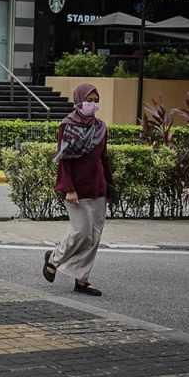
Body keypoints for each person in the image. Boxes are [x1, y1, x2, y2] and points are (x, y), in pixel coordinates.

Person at [43, 83, 112, 297]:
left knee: (93, 236)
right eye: (88, 100)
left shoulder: (101, 127)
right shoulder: (68, 126)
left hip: (97, 186)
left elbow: (103, 157)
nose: (92, 104)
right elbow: (64, 161)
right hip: (76, 189)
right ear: (78, 101)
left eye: (95, 100)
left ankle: (82, 280)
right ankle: (54, 258)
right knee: (81, 231)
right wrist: (69, 188)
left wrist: (109, 184)